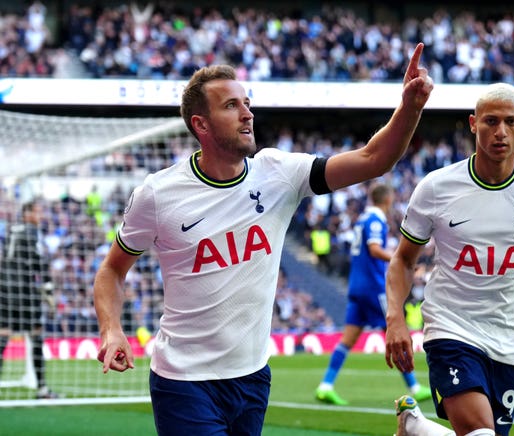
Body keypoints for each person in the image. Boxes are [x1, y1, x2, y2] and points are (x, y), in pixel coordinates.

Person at [94, 42, 434, 435]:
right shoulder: (158, 194)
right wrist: (111, 329)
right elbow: (112, 271)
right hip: (184, 382)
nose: (247, 113)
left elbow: (374, 159)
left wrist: (410, 107)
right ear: (201, 125)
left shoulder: (276, 172)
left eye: (247, 102)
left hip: (253, 377)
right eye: (231, 106)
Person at [384, 82, 514, 436]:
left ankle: (415, 428)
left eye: (509, 122)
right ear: (473, 124)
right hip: (450, 329)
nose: (500, 132)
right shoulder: (436, 188)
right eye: (490, 121)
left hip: (509, 340)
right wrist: (395, 317)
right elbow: (403, 260)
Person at [315, 183, 431, 406]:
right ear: (387, 199)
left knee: (348, 339)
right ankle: (415, 386)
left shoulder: (361, 219)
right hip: (373, 287)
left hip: (357, 285)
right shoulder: (376, 219)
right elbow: (375, 249)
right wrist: (400, 260)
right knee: (396, 331)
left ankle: (325, 385)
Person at [0, 201, 58, 399]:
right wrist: (48, 289)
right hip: (23, 290)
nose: (40, 216)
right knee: (36, 334)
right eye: (37, 211)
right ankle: (42, 389)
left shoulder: (11, 230)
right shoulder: (32, 232)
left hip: (5, 290)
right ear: (27, 213)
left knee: (3, 335)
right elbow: (38, 262)